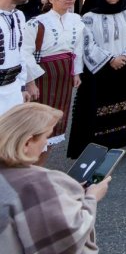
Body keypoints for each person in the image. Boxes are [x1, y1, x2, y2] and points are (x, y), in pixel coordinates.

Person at [0, 103, 110, 254]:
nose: (46, 142)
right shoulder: (38, 184)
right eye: (46, 136)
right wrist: (91, 198)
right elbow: (68, 240)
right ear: (27, 142)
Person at [66, 0, 126, 158]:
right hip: (101, 70)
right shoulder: (90, 16)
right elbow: (87, 43)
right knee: (98, 108)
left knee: (123, 105)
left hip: (124, 66)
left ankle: (118, 141)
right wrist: (110, 59)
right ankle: (97, 146)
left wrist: (125, 56)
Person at [22, 0, 84, 146]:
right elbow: (25, 52)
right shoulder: (37, 22)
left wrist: (76, 72)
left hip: (65, 71)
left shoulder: (76, 19)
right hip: (43, 73)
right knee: (38, 120)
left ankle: (41, 166)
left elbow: (78, 47)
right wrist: (30, 81)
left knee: (57, 119)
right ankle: (28, 164)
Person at [0, 0, 42, 116]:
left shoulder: (19, 15)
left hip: (13, 89)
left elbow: (20, 53)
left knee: (10, 134)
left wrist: (23, 85)